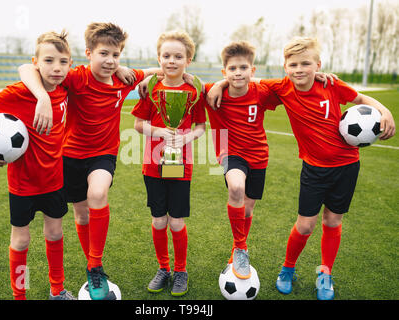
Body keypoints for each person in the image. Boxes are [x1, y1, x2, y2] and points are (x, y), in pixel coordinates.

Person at [207, 37, 395, 300]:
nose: (299, 69)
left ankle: (325, 273)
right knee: (305, 226)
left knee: (333, 221)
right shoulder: (282, 87)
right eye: (293, 64)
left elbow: (361, 97)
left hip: (347, 166)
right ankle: (287, 269)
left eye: (306, 63)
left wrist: (384, 111)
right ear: (285, 67)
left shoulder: (332, 85)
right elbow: (244, 78)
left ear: (317, 65)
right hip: (314, 169)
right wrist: (220, 82)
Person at [18, 22, 163, 300]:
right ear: (88, 53)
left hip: (103, 153)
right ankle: (91, 263)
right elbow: (26, 68)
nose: (110, 61)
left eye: (116, 55)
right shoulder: (76, 77)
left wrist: (144, 79)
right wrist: (42, 98)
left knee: (98, 193)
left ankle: (95, 265)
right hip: (70, 155)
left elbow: (158, 71)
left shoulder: (124, 78)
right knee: (81, 213)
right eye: (104, 54)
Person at [0, 30, 75, 300]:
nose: (56, 68)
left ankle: (57, 291)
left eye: (63, 62)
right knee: (21, 240)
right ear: (36, 62)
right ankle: (19, 296)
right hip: (22, 185)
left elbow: (30, 65)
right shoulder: (19, 93)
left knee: (55, 234)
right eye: (48, 61)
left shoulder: (66, 87)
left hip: (54, 180)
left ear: (70, 64)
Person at [131, 30, 206, 296]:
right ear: (159, 58)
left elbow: (201, 127)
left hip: (180, 165)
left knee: (176, 222)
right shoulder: (150, 88)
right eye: (166, 56)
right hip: (153, 164)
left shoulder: (194, 90)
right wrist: (158, 132)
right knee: (159, 220)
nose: (171, 61)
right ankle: (163, 268)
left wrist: (186, 138)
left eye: (178, 56)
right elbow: (138, 125)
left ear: (188, 59)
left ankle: (181, 270)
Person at [204, 41, 282, 279]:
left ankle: (238, 246)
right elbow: (179, 79)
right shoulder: (211, 91)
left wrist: (319, 76)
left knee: (247, 209)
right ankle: (240, 248)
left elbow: (289, 89)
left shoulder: (262, 93)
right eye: (232, 69)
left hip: (259, 154)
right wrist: (218, 85)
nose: (238, 72)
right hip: (230, 152)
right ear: (224, 72)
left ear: (252, 70)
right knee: (236, 187)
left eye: (243, 68)